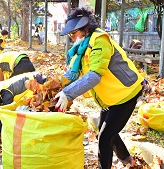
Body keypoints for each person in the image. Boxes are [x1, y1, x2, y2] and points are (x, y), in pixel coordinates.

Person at [53, 7, 143, 168]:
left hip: (125, 93)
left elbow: (95, 75)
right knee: (105, 130)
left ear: (84, 29)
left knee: (105, 136)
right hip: (110, 98)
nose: (72, 38)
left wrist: (68, 93)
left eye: (73, 34)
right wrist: (50, 84)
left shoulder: (100, 39)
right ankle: (127, 160)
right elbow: (71, 75)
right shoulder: (81, 49)